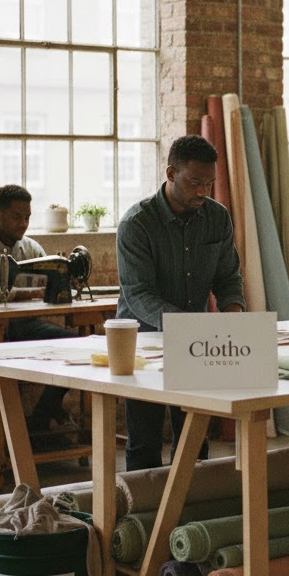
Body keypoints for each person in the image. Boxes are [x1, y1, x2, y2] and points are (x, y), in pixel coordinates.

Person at [116, 135, 245, 470]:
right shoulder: (137, 224)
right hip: (145, 343)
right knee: (144, 441)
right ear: (171, 173)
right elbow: (139, 293)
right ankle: (142, 517)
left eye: (209, 183)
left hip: (197, 344)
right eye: (194, 182)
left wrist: (233, 315)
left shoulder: (217, 218)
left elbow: (228, 278)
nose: (203, 191)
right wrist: (188, 326)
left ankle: (189, 512)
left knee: (194, 436)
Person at [0, 184, 77, 437]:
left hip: (26, 327)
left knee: (77, 346)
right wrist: (24, 293)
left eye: (28, 217)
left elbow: (51, 280)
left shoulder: (31, 248)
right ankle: (15, 434)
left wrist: (66, 283)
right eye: (16, 217)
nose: (23, 224)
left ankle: (41, 416)